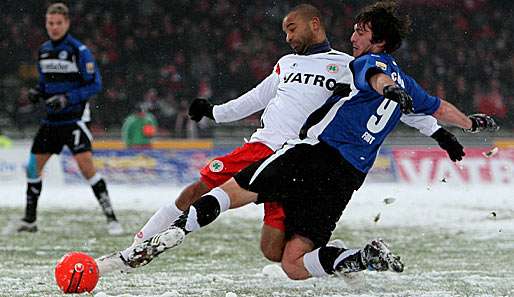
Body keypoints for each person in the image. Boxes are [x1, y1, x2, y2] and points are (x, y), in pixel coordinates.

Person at [94, 2, 484, 279]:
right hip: (330, 168)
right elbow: (255, 100)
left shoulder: (351, 65)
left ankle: (158, 241)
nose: (287, 36)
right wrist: (456, 128)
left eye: (291, 28)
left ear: (314, 24)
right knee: (287, 258)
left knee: (229, 199)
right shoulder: (287, 64)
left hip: (301, 153)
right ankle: (356, 257)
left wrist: (438, 129)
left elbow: (382, 84)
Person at [2, 3, 123, 235]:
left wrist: (68, 98)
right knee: (32, 167)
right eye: (50, 23)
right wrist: (38, 91)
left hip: (74, 119)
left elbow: (95, 84)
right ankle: (30, 220)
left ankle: (112, 218)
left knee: (86, 167)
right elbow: (46, 82)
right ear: (46, 24)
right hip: (51, 121)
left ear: (67, 23)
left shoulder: (79, 50)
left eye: (58, 23)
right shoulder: (44, 50)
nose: (54, 27)